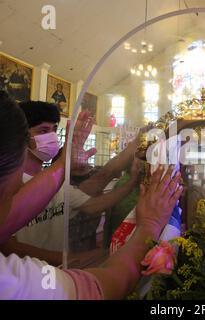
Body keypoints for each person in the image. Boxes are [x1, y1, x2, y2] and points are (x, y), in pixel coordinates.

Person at [0, 91, 183, 299]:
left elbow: (95, 187)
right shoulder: (12, 280)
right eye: (43, 130)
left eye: (53, 130)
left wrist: (64, 164)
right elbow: (104, 287)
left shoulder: (49, 183)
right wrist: (149, 223)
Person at [1, 101, 141, 266]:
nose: (52, 137)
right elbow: (7, 245)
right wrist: (66, 259)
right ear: (23, 137)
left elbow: (93, 201)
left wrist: (132, 181)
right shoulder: (9, 183)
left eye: (54, 129)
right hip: (27, 277)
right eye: (43, 131)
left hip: (56, 274)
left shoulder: (55, 179)